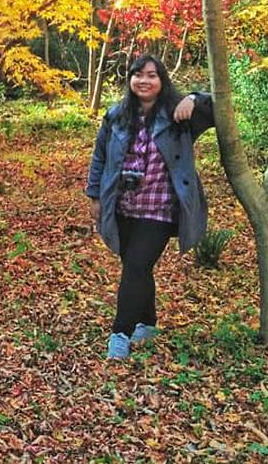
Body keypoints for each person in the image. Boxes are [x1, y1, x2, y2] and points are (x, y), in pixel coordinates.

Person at [85, 54, 215, 359]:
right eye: (138, 74)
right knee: (136, 266)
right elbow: (100, 157)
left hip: (159, 208)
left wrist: (195, 98)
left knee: (136, 265)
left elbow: (221, 108)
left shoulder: (177, 115)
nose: (144, 81)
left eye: (152, 75)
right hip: (123, 204)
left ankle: (120, 333)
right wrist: (95, 196)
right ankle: (148, 321)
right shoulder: (116, 115)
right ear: (130, 79)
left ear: (162, 81)